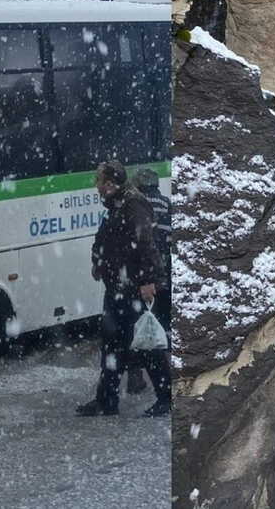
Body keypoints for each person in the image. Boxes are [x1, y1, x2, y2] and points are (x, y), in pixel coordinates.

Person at [76, 161, 169, 417]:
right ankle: (106, 400)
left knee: (145, 343)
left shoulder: (133, 203)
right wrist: (98, 262)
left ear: (109, 182)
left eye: (99, 181)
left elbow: (145, 241)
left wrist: (148, 280)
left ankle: (165, 397)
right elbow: (105, 237)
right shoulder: (116, 204)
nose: (97, 186)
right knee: (111, 345)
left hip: (134, 288)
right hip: (117, 287)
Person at [125, 168, 171, 399]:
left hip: (145, 278)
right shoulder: (166, 204)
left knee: (140, 325)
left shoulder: (138, 206)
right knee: (160, 324)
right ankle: (167, 371)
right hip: (165, 275)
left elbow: (141, 244)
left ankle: (136, 374)